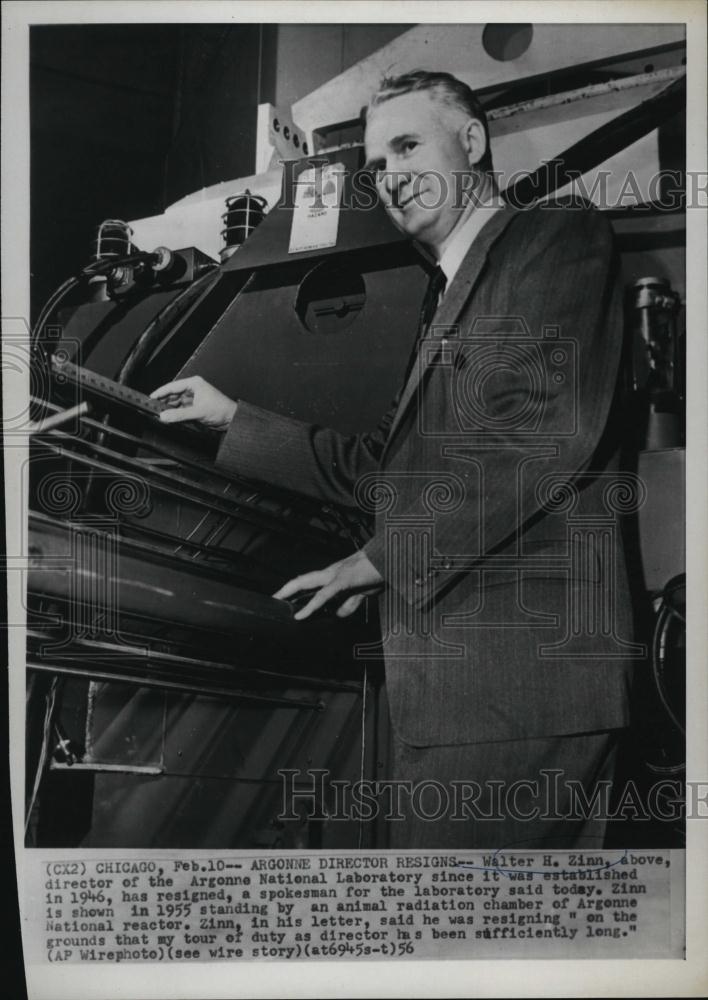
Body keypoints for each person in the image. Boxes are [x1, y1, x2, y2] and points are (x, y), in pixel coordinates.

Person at [152, 71, 637, 850]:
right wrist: (234, 419)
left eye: (408, 145)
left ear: (472, 142)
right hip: (454, 697)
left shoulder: (552, 240)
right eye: (375, 166)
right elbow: (388, 473)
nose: (390, 176)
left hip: (518, 691)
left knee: (469, 952)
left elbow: (536, 443)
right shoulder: (440, 299)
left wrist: (375, 560)